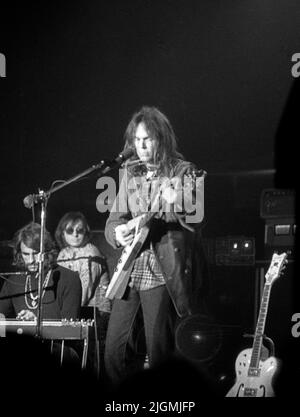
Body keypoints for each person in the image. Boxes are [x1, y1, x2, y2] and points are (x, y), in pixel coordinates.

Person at [104, 106, 207, 388]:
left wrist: (175, 200)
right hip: (129, 270)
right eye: (137, 140)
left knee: (158, 350)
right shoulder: (130, 172)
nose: (141, 145)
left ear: (161, 138)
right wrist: (119, 232)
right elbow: (113, 221)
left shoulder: (183, 170)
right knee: (113, 351)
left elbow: (194, 216)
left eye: (147, 139)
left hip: (160, 270)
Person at [55, 211, 111, 376]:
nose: (75, 234)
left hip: (93, 313)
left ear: (86, 232)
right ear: (62, 233)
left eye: (80, 230)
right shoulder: (63, 253)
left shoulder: (91, 253)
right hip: (75, 310)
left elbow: (83, 292)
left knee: (89, 363)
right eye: (70, 230)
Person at [0, 222, 82, 321]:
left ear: (47, 251)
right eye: (26, 254)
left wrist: (37, 322)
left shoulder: (69, 279)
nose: (31, 260)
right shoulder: (13, 281)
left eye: (36, 253)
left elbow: (69, 329)